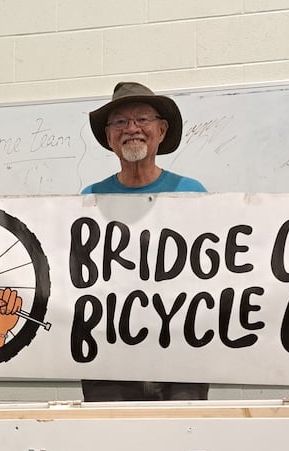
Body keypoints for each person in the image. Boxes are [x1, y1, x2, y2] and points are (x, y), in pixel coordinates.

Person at [80, 81, 209, 401]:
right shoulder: (89, 199)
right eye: (120, 122)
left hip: (182, 350)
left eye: (142, 119)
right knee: (112, 432)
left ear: (161, 130)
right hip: (109, 355)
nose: (131, 128)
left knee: (184, 430)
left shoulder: (192, 194)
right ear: (109, 136)